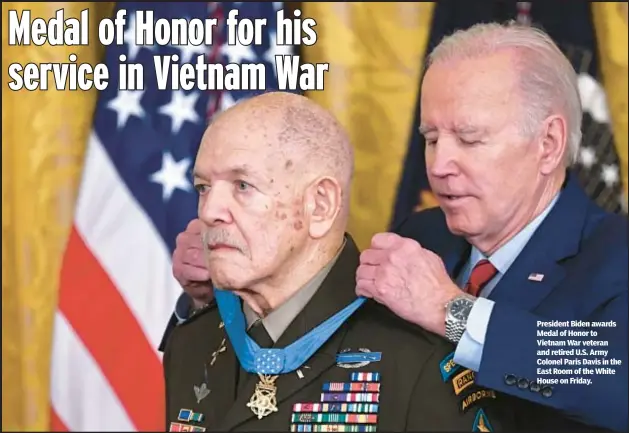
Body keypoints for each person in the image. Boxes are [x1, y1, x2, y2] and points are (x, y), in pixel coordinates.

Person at [160, 92, 516, 432]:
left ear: (320, 205)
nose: (209, 211)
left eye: (242, 186)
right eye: (204, 187)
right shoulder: (192, 340)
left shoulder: (419, 357)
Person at [353, 23, 627, 432]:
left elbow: (612, 379)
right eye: (431, 139)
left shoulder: (616, 255)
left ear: (548, 144)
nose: (438, 166)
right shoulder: (420, 236)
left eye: (469, 139)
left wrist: (450, 310)